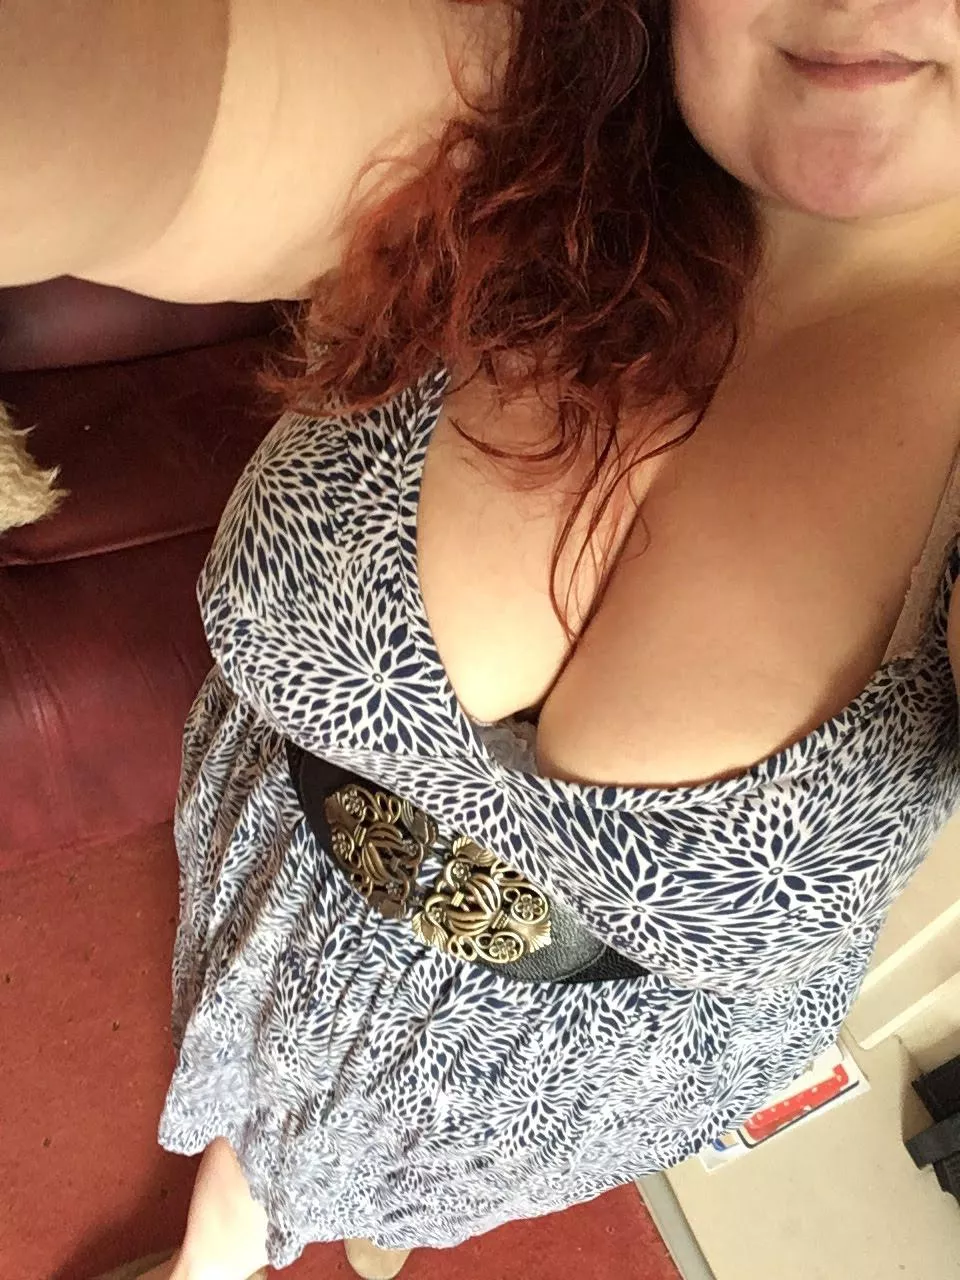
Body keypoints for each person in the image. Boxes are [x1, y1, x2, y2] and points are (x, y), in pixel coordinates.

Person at [5, 1, 960, 1277]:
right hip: (286, 862)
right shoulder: (524, 101)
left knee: (383, 1170)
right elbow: (142, 100)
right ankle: (237, 1219)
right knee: (249, 1069)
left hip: (566, 1070)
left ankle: (320, 1211)